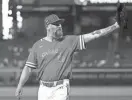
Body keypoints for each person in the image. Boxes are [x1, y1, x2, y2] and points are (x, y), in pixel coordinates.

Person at [15, 14, 119, 100]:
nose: (60, 26)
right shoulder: (38, 46)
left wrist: (114, 26)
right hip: (43, 90)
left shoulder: (69, 41)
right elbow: (28, 68)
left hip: (60, 89)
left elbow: (94, 34)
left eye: (60, 24)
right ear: (48, 27)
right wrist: (20, 85)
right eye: (56, 24)